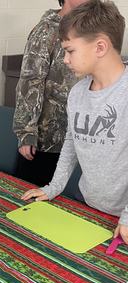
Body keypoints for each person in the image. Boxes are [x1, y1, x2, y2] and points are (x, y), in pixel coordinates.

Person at [21, 0, 128, 243]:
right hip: (90, 206)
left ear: (100, 47)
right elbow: (71, 143)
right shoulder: (78, 92)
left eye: (70, 51)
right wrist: (53, 187)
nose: (66, 59)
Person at [13, 0, 88, 186]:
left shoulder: (91, 29)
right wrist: (26, 132)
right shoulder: (47, 29)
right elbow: (30, 82)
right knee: (36, 200)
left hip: (81, 138)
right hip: (48, 141)